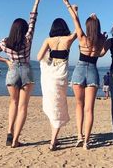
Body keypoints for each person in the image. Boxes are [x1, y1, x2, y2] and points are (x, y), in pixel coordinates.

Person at [0, 0, 42, 148]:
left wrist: (5, 60)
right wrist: (36, 2)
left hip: (12, 72)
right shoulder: (27, 39)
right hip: (26, 71)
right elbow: (33, 19)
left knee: (13, 102)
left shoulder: (5, 42)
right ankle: (16, 140)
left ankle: (9, 132)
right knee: (23, 107)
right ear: (24, 29)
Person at [62, 0, 106, 150]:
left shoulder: (82, 37)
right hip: (93, 71)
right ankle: (86, 142)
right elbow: (101, 52)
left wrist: (68, 3)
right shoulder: (102, 40)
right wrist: (96, 21)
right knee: (89, 109)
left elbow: (75, 19)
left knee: (79, 106)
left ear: (88, 27)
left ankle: (79, 136)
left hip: (80, 70)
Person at [37, 16, 77, 151]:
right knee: (59, 106)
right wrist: (75, 12)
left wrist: (49, 55)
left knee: (52, 106)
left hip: (49, 76)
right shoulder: (68, 39)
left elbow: (38, 57)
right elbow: (78, 30)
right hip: (61, 77)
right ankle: (53, 140)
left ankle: (54, 139)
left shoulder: (48, 40)